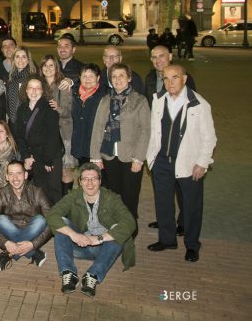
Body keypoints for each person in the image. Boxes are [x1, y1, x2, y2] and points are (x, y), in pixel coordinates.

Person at [146, 64, 216, 263]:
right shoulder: (158, 100)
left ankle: (192, 245)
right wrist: (151, 158)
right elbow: (154, 131)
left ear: (184, 79)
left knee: (192, 206)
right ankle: (167, 240)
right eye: (166, 78)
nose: (170, 83)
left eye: (175, 77)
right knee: (163, 203)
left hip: (188, 163)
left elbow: (209, 138)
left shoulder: (198, 104)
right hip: (161, 162)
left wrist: (202, 163)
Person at [47, 162, 136, 298]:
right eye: (85, 179)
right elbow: (52, 215)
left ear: (100, 181)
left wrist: (100, 238)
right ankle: (69, 273)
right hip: (80, 245)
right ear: (80, 182)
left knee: (117, 230)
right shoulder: (74, 196)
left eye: (94, 178)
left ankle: (92, 275)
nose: (90, 183)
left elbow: (130, 222)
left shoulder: (112, 198)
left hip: (104, 249)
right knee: (62, 224)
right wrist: (73, 235)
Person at [90, 64, 150, 223]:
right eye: (114, 76)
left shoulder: (140, 100)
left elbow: (145, 131)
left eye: (121, 76)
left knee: (130, 196)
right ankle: (116, 226)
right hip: (109, 156)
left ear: (129, 78)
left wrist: (139, 158)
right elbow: (97, 129)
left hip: (130, 157)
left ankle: (130, 229)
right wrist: (95, 156)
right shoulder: (105, 100)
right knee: (114, 196)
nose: (117, 80)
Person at [0, 160, 52, 271]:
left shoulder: (37, 192)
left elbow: (52, 221)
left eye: (19, 173)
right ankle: (33, 253)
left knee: (41, 220)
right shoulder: (2, 193)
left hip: (32, 229)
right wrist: (6, 243)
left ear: (25, 175)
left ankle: (9, 254)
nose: (15, 178)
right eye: (11, 174)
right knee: (1, 220)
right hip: (11, 228)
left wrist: (33, 244)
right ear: (6, 177)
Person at [14, 76, 62, 204]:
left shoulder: (49, 107)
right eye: (30, 88)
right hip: (34, 156)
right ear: (26, 90)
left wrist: (48, 160)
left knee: (54, 190)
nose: (34, 91)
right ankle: (45, 220)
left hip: (50, 157)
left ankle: (59, 221)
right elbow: (19, 135)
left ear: (42, 91)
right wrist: (26, 156)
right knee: (41, 191)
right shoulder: (22, 108)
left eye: (37, 88)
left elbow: (53, 136)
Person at [40, 55, 76, 195]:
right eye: (45, 65)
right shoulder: (39, 85)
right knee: (50, 170)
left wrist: (58, 108)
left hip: (63, 133)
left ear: (56, 67)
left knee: (65, 171)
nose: (48, 68)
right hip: (45, 134)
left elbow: (68, 112)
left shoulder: (63, 86)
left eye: (51, 65)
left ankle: (66, 200)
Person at [71, 64, 105, 166]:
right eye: (84, 76)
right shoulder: (73, 93)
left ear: (98, 77)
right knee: (85, 176)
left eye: (91, 76)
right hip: (80, 145)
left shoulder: (105, 94)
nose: (87, 79)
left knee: (101, 179)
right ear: (79, 78)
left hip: (98, 146)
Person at [6, 46, 37, 125]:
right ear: (13, 60)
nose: (20, 60)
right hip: (12, 122)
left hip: (29, 121)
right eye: (17, 57)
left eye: (24, 57)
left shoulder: (34, 78)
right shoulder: (11, 78)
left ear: (28, 60)